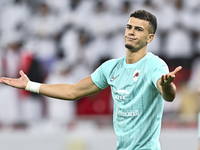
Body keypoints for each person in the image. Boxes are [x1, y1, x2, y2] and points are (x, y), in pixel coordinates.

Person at [0, 10, 182, 150]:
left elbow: (168, 95)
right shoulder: (111, 67)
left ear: (150, 38)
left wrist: (166, 85)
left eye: (139, 29)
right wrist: (29, 85)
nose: (131, 32)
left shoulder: (154, 65)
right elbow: (73, 91)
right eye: (129, 27)